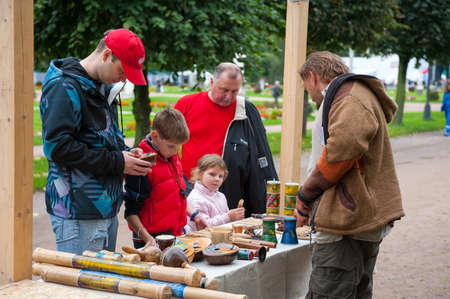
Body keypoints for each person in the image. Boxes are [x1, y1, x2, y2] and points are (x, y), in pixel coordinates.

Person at [295, 51, 405, 298]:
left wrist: (305, 196)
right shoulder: (350, 95)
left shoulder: (350, 99)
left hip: (346, 224)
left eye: (306, 88)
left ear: (312, 77)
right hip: (353, 220)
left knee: (330, 292)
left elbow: (341, 151)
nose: (310, 95)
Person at [40, 28, 152, 255]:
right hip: (77, 212)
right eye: (122, 70)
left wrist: (128, 154)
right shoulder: (64, 86)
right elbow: (58, 148)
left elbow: (106, 139)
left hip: (104, 209)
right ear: (106, 54)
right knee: (84, 288)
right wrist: (118, 162)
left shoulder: (101, 86)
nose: (123, 79)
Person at [175, 62, 278, 217]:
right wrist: (179, 181)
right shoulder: (186, 104)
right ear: (211, 82)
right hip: (192, 187)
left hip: (227, 189)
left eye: (234, 91)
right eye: (223, 90)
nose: (229, 96)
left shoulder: (245, 110)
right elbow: (171, 146)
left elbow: (261, 153)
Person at [123, 108, 206, 248]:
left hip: (175, 233)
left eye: (178, 147)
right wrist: (148, 239)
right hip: (150, 239)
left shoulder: (170, 155)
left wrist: (195, 216)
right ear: (155, 136)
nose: (175, 152)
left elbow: (176, 194)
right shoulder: (141, 164)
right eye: (172, 146)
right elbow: (130, 213)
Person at [185, 154, 245, 232]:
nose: (217, 179)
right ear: (200, 174)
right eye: (212, 174)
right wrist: (228, 217)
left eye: (220, 176)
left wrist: (235, 217)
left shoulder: (220, 196)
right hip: (200, 240)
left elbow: (225, 222)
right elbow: (204, 226)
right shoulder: (196, 198)